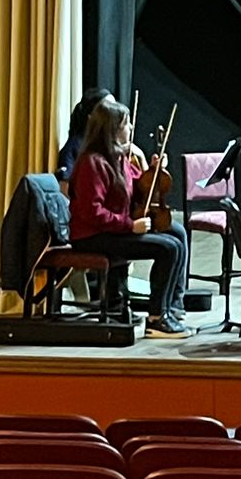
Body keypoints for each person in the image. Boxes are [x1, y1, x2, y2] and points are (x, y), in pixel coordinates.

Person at [66, 97, 191, 338]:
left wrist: (152, 168)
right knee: (168, 248)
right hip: (94, 236)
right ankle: (156, 318)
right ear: (112, 129)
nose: (131, 128)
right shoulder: (92, 163)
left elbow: (138, 185)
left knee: (175, 233)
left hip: (111, 230)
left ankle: (171, 307)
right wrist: (130, 226)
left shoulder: (118, 157)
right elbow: (93, 212)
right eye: (126, 124)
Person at [56, 86, 112, 192]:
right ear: (91, 117)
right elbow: (64, 189)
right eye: (108, 111)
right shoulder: (74, 147)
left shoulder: (108, 146)